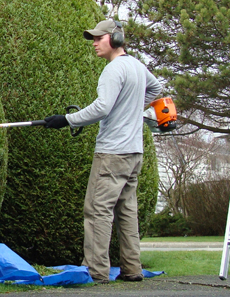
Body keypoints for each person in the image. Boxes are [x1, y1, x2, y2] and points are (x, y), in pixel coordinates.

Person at [43, 19, 162, 284]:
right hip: (134, 154)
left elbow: (102, 107)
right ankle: (132, 269)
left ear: (116, 39)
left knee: (97, 210)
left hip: (112, 153)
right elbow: (156, 89)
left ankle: (96, 271)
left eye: (99, 38)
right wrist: (131, 108)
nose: (95, 43)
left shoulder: (113, 69)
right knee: (127, 211)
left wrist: (67, 119)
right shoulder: (137, 66)